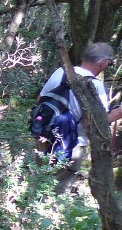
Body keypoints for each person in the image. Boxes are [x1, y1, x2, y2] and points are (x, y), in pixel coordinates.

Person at [37, 42, 122, 193]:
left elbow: (40, 99)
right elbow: (97, 123)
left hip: (44, 135)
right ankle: (39, 214)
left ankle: (27, 209)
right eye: (109, 64)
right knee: (55, 191)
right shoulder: (95, 85)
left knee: (38, 180)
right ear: (103, 62)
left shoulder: (60, 72)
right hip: (71, 144)